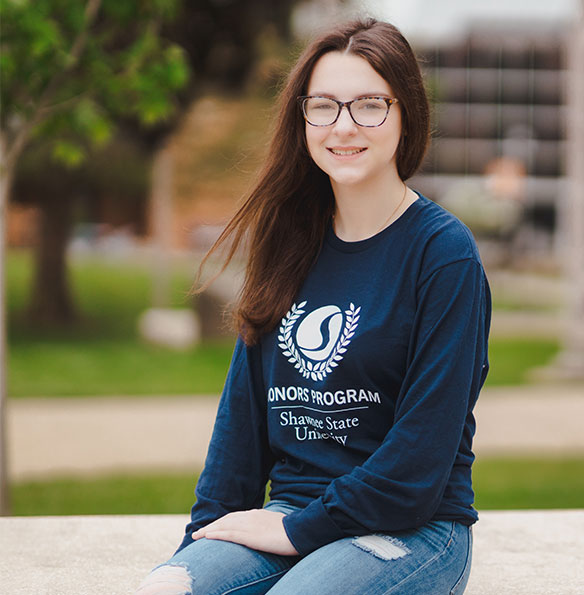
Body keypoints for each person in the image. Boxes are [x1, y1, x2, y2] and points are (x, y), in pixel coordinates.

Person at [135, 18, 489, 595]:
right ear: (302, 118)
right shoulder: (288, 242)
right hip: (292, 517)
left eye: (370, 105)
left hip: (411, 530)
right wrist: (203, 543)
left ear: (407, 115)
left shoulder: (443, 255)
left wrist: (302, 531)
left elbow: (420, 459)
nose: (344, 126)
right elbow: (242, 422)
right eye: (324, 106)